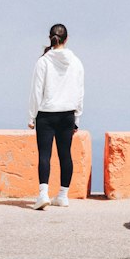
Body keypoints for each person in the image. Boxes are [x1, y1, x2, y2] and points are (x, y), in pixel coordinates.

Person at [27, 23, 84, 209]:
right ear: (66, 39)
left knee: (45, 154)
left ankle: (43, 194)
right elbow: (79, 91)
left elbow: (36, 91)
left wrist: (31, 116)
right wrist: (77, 117)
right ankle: (63, 196)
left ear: (49, 38)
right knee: (65, 155)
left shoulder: (43, 61)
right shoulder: (76, 62)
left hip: (46, 114)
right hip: (67, 113)